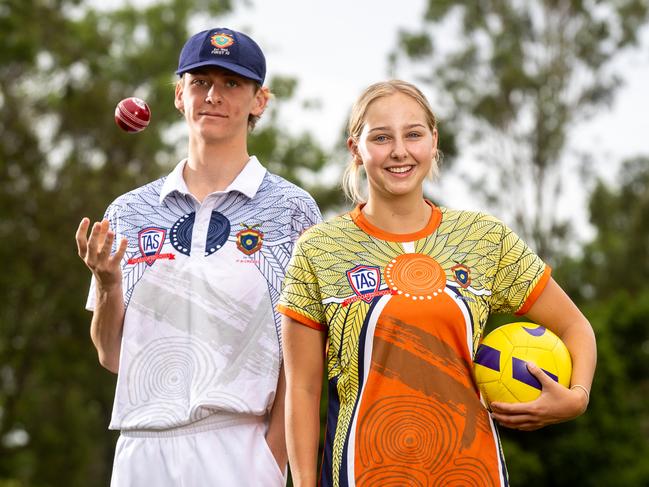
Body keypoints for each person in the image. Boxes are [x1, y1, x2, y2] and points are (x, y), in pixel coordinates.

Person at [278, 80, 596, 486]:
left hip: (472, 473)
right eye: (380, 137)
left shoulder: (483, 237)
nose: (399, 150)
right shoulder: (319, 248)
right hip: (360, 474)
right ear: (355, 149)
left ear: (433, 141)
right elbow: (302, 391)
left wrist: (576, 399)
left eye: (413, 134)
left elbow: (576, 327)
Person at [75, 27, 321, 486]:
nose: (214, 95)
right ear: (179, 95)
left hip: (240, 445)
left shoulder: (292, 209)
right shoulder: (128, 210)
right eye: (201, 81)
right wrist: (108, 285)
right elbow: (111, 355)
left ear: (259, 101)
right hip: (140, 446)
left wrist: (274, 453)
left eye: (232, 84)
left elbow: (304, 352)